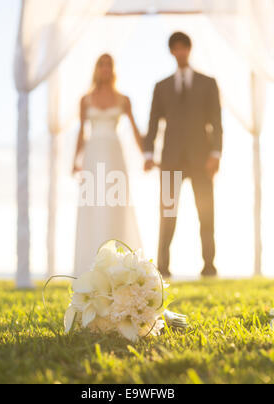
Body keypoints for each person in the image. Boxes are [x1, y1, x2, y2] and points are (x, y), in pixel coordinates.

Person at [144, 32, 223, 278]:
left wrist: (216, 154)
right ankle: (163, 267)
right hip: (170, 159)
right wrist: (148, 153)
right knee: (167, 213)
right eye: (175, 48)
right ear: (171, 52)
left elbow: (217, 122)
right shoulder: (162, 86)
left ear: (189, 49)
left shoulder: (207, 82)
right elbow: (153, 122)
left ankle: (209, 266)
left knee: (206, 213)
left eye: (183, 47)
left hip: (202, 159)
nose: (180, 52)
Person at [72, 54, 143, 276]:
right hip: (92, 156)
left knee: (116, 204)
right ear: (96, 69)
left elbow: (135, 129)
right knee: (93, 204)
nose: (105, 68)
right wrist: (75, 160)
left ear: (113, 69)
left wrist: (147, 155)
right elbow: (81, 132)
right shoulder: (85, 99)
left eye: (108, 65)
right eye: (101, 64)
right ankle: (92, 264)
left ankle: (120, 266)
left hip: (114, 155)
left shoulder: (124, 99)